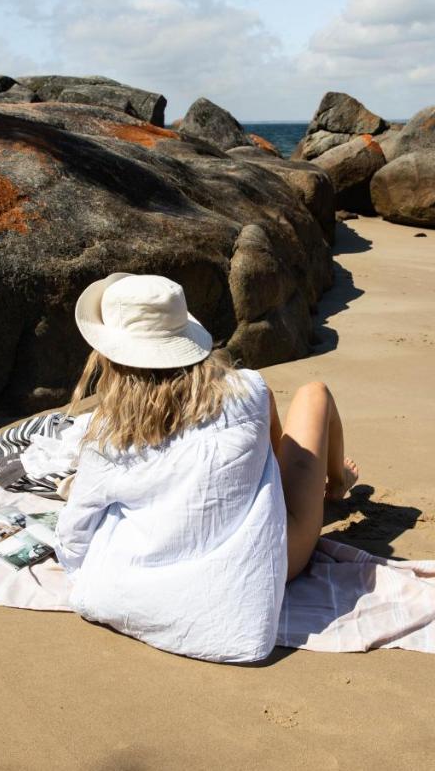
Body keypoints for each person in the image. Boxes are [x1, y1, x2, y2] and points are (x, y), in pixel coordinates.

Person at [54, 272, 357, 663]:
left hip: (141, 595)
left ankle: (327, 486)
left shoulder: (107, 439)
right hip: (261, 572)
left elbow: (73, 539)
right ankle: (335, 486)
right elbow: (270, 448)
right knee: (314, 394)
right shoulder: (248, 391)